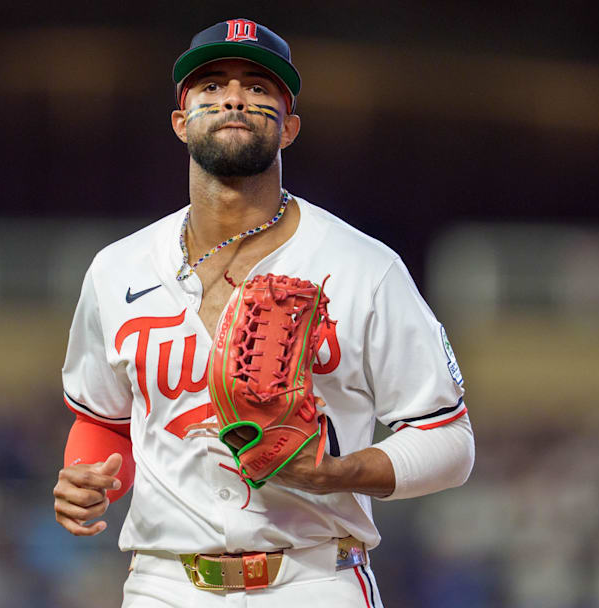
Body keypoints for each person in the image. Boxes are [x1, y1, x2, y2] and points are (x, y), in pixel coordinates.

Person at [52, 18, 475, 607]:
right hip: (165, 584)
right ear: (180, 121)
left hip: (316, 578)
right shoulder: (116, 269)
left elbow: (448, 439)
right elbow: (104, 421)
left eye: (257, 86)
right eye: (211, 86)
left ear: (290, 126)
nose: (233, 96)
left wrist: (335, 474)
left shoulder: (363, 267)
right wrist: (91, 479)